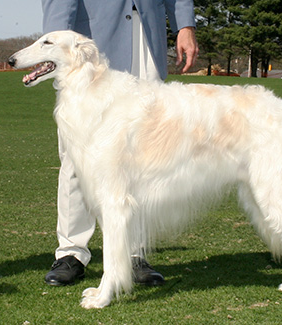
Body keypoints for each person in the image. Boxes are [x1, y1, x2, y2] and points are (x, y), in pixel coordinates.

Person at [41, 0, 199, 287]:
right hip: (89, 42)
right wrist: (54, 37)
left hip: (147, 35)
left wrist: (184, 24)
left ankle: (134, 253)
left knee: (146, 158)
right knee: (79, 159)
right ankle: (71, 253)